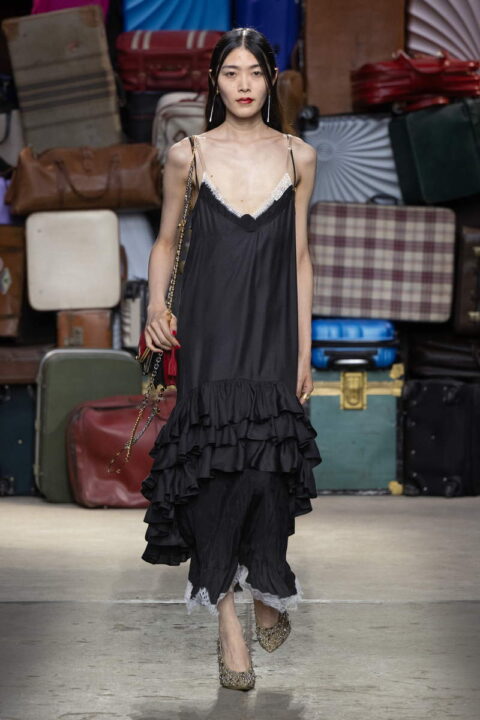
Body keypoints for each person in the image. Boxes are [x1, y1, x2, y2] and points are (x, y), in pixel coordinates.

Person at [140, 27, 322, 691]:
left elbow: (299, 256)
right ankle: (227, 623)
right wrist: (155, 308)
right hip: (210, 326)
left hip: (273, 327)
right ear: (214, 83)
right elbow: (165, 242)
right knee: (212, 471)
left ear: (271, 80)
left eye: (254, 72)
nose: (243, 85)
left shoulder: (299, 156)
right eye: (230, 73)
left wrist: (304, 350)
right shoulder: (187, 155)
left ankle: (267, 582)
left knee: (268, 466)